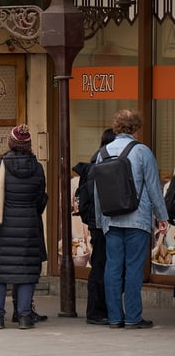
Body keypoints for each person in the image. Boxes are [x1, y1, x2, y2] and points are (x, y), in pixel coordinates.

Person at [95, 110, 168, 329]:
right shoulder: (142, 151)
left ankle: (115, 317)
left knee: (113, 267)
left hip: (111, 218)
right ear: (136, 127)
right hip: (137, 217)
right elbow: (154, 187)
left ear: (116, 126)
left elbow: (98, 190)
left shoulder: (103, 152)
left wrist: (100, 220)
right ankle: (133, 317)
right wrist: (162, 216)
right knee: (134, 268)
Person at [0, 124, 48, 330]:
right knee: (26, 274)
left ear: (10, 144)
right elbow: (40, 199)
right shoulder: (37, 168)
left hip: (1, 227)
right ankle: (24, 317)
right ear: (28, 145)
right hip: (28, 228)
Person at [72, 128, 116, 326]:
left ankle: (99, 310)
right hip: (104, 222)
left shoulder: (94, 162)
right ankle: (98, 311)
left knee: (100, 264)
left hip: (96, 222)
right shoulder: (104, 164)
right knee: (102, 265)